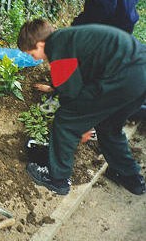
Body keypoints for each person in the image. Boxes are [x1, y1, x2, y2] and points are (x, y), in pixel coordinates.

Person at [17, 19, 146, 195]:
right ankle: (130, 177)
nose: (34, 59)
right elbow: (85, 72)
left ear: (40, 44)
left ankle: (58, 179)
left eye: (32, 54)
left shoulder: (57, 48)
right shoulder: (69, 38)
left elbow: (71, 96)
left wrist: (82, 125)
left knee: (65, 121)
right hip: (140, 74)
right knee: (108, 126)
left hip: (122, 78)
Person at [71, 0, 139, 34]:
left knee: (70, 49)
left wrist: (78, 24)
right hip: (127, 24)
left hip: (106, 28)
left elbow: (105, 9)